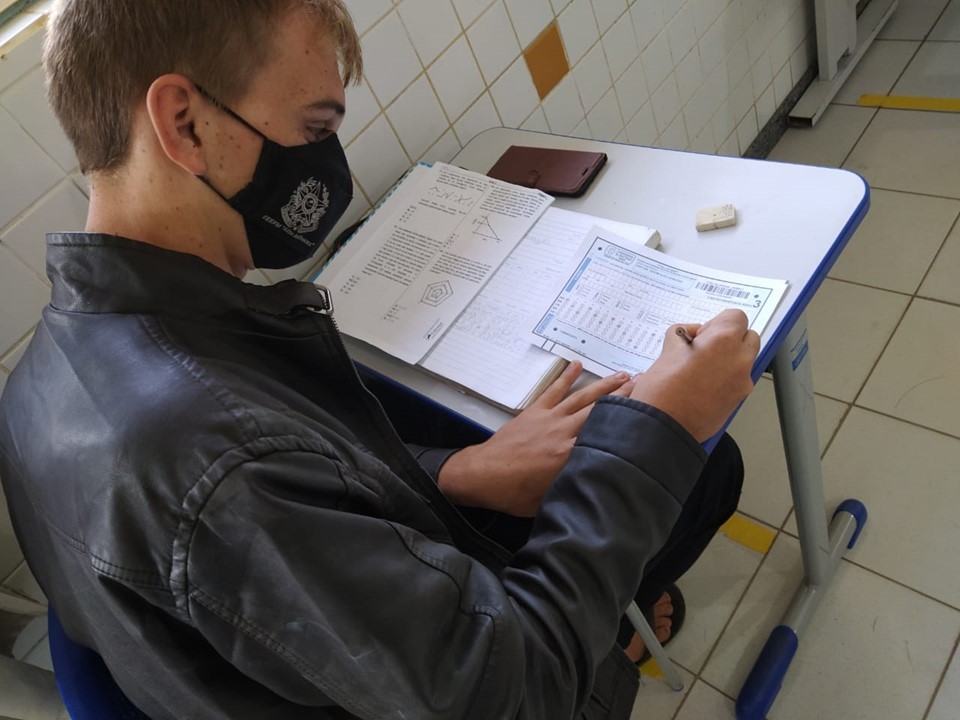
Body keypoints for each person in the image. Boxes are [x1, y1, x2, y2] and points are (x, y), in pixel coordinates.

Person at [0, 1, 759, 718]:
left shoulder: (49, 368)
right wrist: (658, 427)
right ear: (184, 123)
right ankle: (616, 638)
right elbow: (516, 694)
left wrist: (454, 474)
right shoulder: (218, 464)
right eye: (312, 127)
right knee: (705, 469)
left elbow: (299, 496)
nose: (325, 163)